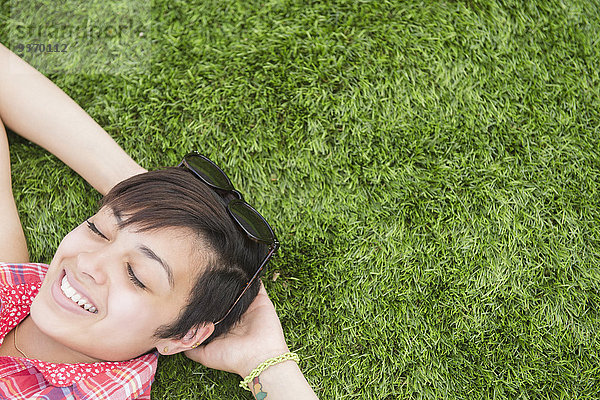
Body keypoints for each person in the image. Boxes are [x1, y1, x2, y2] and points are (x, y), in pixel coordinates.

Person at [0, 42, 319, 399]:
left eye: (137, 277)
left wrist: (269, 365)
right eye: (98, 230)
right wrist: (139, 192)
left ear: (182, 336)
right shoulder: (9, 280)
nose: (88, 263)